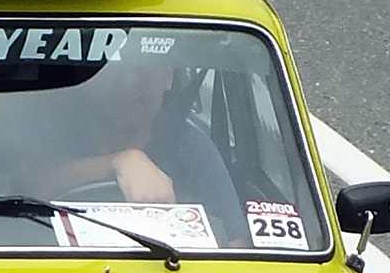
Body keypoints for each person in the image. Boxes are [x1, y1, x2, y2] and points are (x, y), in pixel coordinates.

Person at [20, 57, 249, 245]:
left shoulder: (194, 151)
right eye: (111, 69)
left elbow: (237, 247)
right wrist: (119, 163)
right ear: (86, 80)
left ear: (168, 76)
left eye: (143, 67)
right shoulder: (53, 134)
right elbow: (29, 190)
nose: (128, 82)